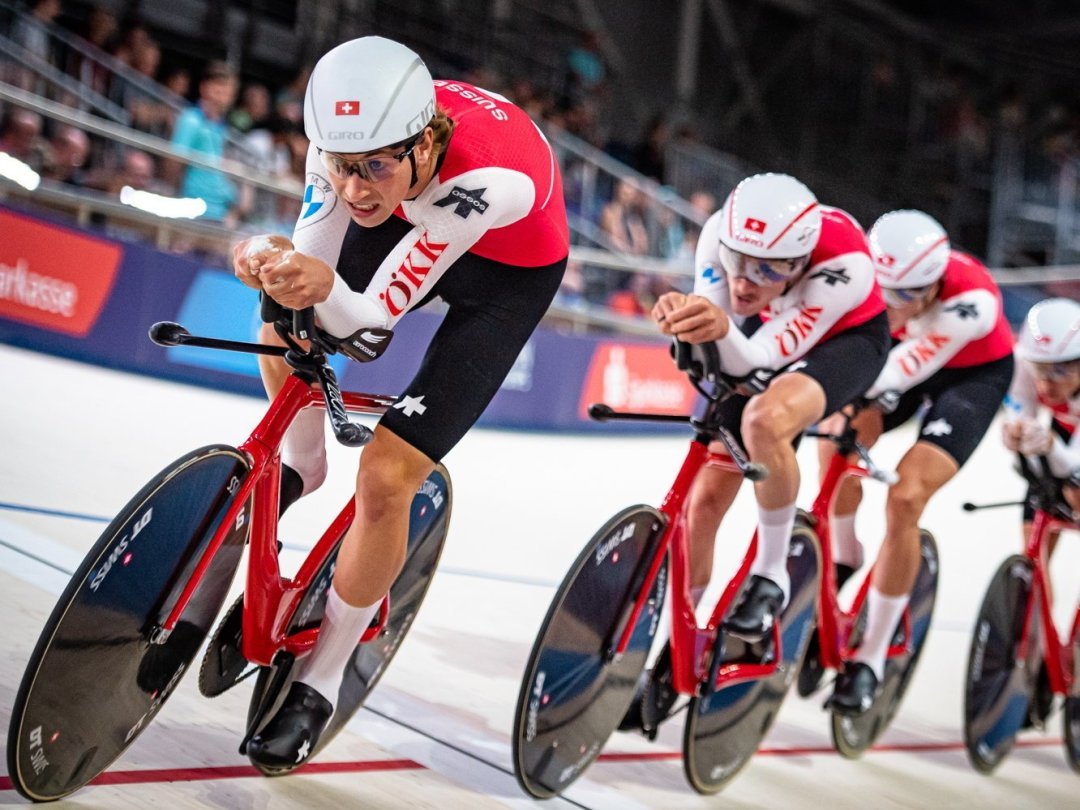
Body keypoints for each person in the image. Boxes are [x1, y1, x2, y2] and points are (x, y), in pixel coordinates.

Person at [231, 36, 568, 769]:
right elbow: (312, 261)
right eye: (342, 168)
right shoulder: (354, 148)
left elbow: (372, 326)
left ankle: (320, 682)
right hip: (422, 217)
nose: (355, 189)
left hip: (503, 278)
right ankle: (304, 463)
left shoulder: (486, 179)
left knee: (387, 478)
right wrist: (275, 264)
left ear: (424, 142)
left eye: (375, 168)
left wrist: (324, 291)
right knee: (279, 314)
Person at [648, 172, 889, 675]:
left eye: (765, 270)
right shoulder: (720, 232)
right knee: (706, 498)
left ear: (798, 264)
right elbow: (716, 328)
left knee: (765, 418)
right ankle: (674, 646)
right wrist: (686, 316)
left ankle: (772, 572)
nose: (742, 281)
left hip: (844, 342)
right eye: (736, 262)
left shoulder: (845, 266)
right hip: (768, 328)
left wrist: (717, 329)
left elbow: (756, 360)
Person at [820, 210, 1014, 715]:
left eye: (905, 296)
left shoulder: (971, 300)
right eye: (884, 291)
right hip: (905, 358)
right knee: (833, 439)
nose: (889, 305)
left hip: (968, 377)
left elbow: (902, 371)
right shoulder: (876, 279)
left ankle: (872, 656)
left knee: (906, 496)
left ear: (933, 286)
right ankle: (845, 554)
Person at [1002, 296, 1080, 524]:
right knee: (1040, 490)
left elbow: (1074, 464)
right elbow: (1022, 424)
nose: (1045, 383)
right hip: (1067, 424)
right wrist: (1016, 439)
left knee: (1075, 489)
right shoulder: (1022, 361)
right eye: (1039, 369)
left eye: (1059, 371)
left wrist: (1049, 445)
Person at [168, 60, 241, 223]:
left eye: (229, 89)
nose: (224, 94)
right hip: (193, 207)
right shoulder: (191, 119)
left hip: (218, 211)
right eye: (219, 86)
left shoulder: (221, 127)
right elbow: (174, 161)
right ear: (204, 87)